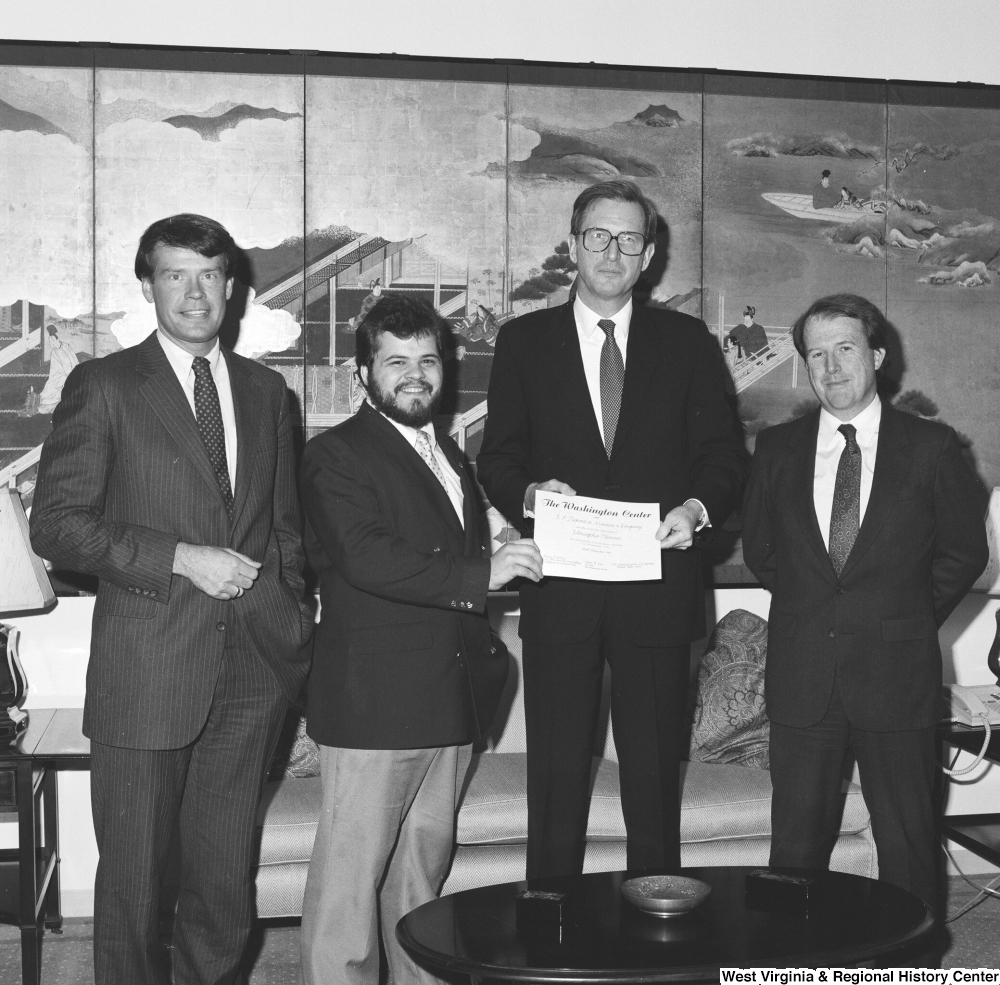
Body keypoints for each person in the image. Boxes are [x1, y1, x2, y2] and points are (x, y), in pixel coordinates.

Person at [30, 213, 314, 984]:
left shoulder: (265, 392)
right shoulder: (107, 384)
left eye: (209, 274)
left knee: (224, 891)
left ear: (233, 286)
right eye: (174, 273)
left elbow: (286, 531)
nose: (194, 291)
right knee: (132, 893)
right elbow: (55, 523)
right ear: (148, 285)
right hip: (147, 671)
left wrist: (291, 622)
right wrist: (180, 557)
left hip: (251, 673)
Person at [477, 179, 746, 878]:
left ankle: (654, 924)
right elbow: (497, 458)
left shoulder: (686, 343)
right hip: (561, 589)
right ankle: (552, 921)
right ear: (572, 246)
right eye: (598, 235)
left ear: (649, 254)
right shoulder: (524, 341)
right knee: (558, 773)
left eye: (630, 238)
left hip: (657, 588)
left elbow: (722, 457)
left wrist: (695, 510)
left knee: (655, 777)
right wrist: (530, 493)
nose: (613, 251)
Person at [298, 294, 542, 985]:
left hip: (449, 698)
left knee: (419, 883)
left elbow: (447, 550)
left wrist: (512, 545)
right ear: (362, 375)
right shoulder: (335, 454)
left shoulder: (448, 454)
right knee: (348, 891)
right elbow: (365, 556)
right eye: (396, 360)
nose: (415, 374)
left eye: (428, 360)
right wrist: (485, 568)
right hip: (375, 705)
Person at [742, 293, 988, 911]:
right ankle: (788, 967)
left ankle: (911, 969)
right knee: (794, 850)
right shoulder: (776, 451)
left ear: (876, 355)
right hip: (804, 679)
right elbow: (765, 555)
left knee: (907, 842)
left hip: (897, 676)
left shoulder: (932, 448)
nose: (831, 367)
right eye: (816, 354)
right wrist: (824, 613)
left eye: (845, 349)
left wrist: (901, 617)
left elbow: (964, 552)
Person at [37, 325, 79, 414]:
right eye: (49, 341)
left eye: (52, 340)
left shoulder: (66, 346)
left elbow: (73, 361)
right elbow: (54, 369)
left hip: (69, 375)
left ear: (57, 339)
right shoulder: (54, 352)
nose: (51, 342)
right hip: (58, 376)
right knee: (50, 387)